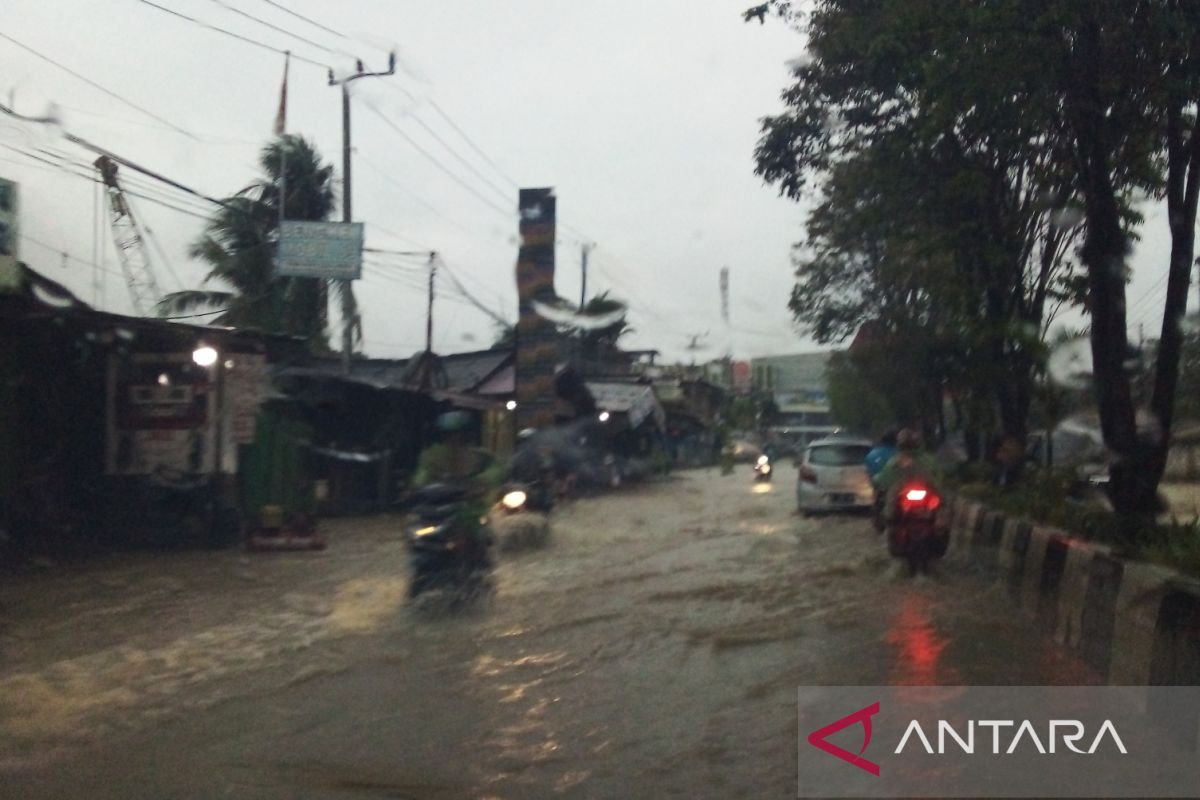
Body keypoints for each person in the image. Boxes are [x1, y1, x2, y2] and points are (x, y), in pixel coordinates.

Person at [412, 411, 505, 550]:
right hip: (439, 507)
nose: (454, 439)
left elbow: (495, 470)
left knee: (482, 534)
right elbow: (422, 476)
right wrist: (419, 488)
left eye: (459, 434)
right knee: (417, 532)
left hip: (470, 508)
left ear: (467, 436)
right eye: (449, 435)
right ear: (442, 435)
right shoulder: (431, 455)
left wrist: (480, 482)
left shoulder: (481, 455)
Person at [874, 428, 943, 521]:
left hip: (902, 491)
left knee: (890, 507)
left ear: (899, 445)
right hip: (928, 488)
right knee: (942, 502)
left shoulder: (894, 461)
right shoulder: (929, 460)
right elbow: (939, 476)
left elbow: (884, 479)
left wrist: (877, 480)